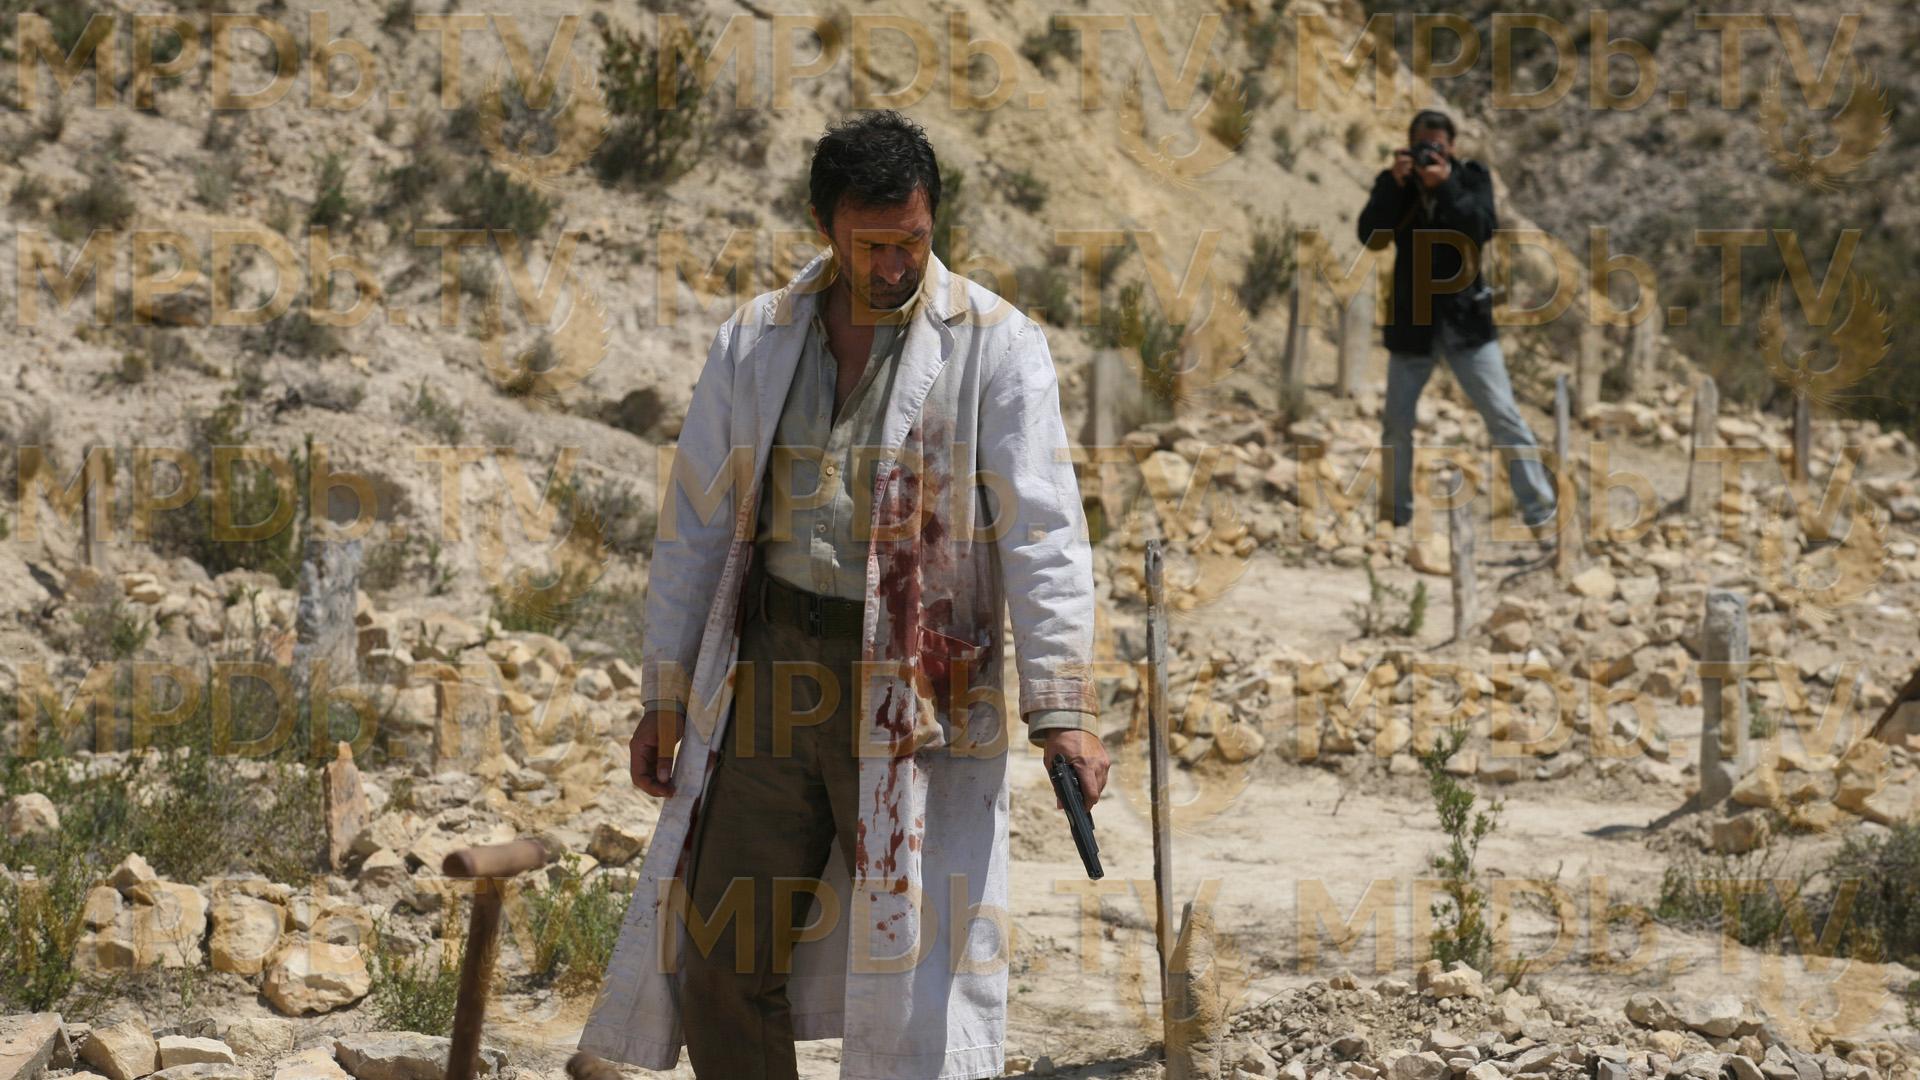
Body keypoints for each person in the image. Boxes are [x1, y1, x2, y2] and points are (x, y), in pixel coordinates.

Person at [575, 110, 1110, 1080]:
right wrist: (664, 693)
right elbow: (695, 525)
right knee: (720, 953)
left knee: (912, 981)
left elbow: (1045, 536)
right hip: (772, 675)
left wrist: (1063, 709)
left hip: (919, 690)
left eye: (913, 242)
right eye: (873, 246)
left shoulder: (997, 345)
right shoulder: (757, 339)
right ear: (825, 228)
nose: (896, 267)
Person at [1357, 108, 1558, 538]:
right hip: (1412, 324)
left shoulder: (1472, 178)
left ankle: (1542, 513)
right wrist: (1394, 185)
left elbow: (1481, 227)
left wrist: (1445, 185)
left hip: (1467, 324)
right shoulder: (1396, 183)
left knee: (1504, 417)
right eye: (1422, 145)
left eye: (1437, 145)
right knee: (1396, 424)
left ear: (1451, 147)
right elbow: (1371, 236)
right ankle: (1395, 516)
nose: (1429, 153)